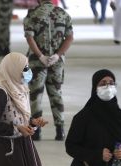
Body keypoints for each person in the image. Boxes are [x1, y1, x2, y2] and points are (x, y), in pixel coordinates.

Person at [0, 52, 48, 166]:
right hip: (6, 150)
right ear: (13, 69)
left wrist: (32, 123)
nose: (28, 72)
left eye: (28, 67)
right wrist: (16, 129)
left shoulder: (21, 90)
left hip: (24, 146)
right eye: (24, 68)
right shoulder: (0, 93)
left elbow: (18, 117)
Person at [65, 69, 121, 166]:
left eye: (111, 83)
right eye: (103, 83)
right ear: (95, 87)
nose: (108, 86)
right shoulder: (84, 116)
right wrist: (97, 155)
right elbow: (71, 146)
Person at [23, 0, 73, 140]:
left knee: (35, 95)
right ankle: (60, 130)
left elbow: (29, 37)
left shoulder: (33, 14)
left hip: (37, 62)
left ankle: (36, 130)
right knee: (56, 94)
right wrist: (58, 55)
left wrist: (40, 56)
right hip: (57, 62)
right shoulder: (63, 14)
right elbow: (69, 38)